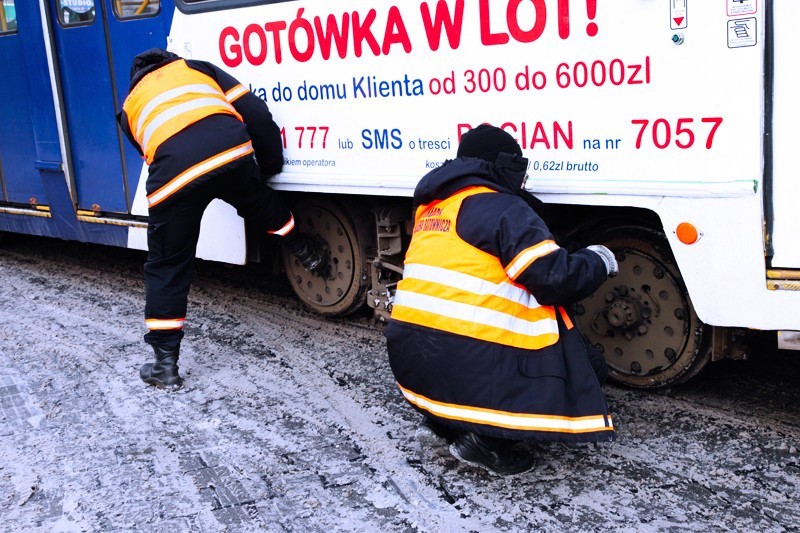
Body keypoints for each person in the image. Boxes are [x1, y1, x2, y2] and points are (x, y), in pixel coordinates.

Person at [385, 124, 618, 476]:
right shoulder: (501, 207)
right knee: (588, 365)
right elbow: (556, 278)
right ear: (503, 165)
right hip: (464, 361)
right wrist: (599, 260)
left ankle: (446, 422)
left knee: (467, 348)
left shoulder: (434, 209)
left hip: (413, 363)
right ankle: (487, 443)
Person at [117, 48, 322, 391]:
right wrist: (268, 166)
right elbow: (254, 111)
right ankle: (304, 248)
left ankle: (165, 366)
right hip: (230, 153)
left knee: (168, 264)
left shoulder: (128, 109)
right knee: (258, 202)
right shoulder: (197, 68)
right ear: (170, 61)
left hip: (173, 179)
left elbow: (149, 152)